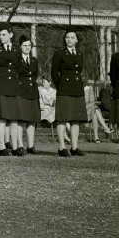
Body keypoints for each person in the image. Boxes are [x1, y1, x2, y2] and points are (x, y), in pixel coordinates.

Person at [51, 29, 88, 157]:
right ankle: (61, 147)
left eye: (72, 37)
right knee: (62, 119)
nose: (69, 39)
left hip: (77, 88)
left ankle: (74, 147)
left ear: (76, 40)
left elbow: (79, 71)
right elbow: (54, 72)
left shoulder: (80, 53)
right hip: (64, 89)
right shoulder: (59, 53)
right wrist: (60, 85)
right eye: (67, 37)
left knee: (75, 120)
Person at [0, 24, 22, 156]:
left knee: (14, 118)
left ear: (11, 35)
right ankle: (2, 147)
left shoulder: (17, 50)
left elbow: (19, 68)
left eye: (4, 34)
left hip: (13, 86)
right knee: (1, 118)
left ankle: (15, 146)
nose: (1, 37)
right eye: (0, 35)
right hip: (0, 86)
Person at [17, 35, 40, 154]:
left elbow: (35, 75)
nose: (27, 48)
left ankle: (30, 145)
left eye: (29, 46)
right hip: (21, 91)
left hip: (32, 91)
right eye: (25, 45)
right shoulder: (17, 59)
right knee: (21, 119)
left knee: (31, 120)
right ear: (20, 47)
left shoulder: (34, 60)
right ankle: (20, 145)